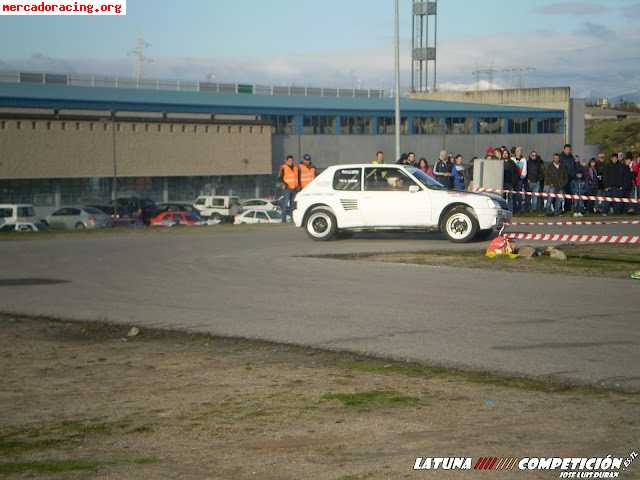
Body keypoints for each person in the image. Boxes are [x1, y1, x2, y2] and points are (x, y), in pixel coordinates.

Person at [278, 155, 299, 223]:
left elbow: (298, 177)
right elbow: (280, 178)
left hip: (294, 189)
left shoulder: (296, 167)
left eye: (292, 160)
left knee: (293, 205)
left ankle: (293, 219)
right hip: (287, 189)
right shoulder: (283, 167)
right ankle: (283, 220)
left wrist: (298, 186)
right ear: (286, 161)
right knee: (285, 204)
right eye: (289, 160)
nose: (291, 162)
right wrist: (284, 184)